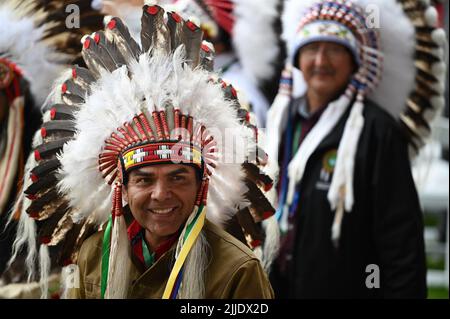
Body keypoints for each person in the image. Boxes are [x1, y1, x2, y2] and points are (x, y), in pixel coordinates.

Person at [9, 4, 274, 299]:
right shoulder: (94, 255)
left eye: (178, 178)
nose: (161, 194)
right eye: (144, 179)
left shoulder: (237, 270)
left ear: (201, 185)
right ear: (122, 186)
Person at [266, 0, 447, 298]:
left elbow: (400, 243)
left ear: (355, 61)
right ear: (297, 59)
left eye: (335, 49)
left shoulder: (378, 132)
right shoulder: (280, 123)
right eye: (311, 48)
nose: (321, 60)